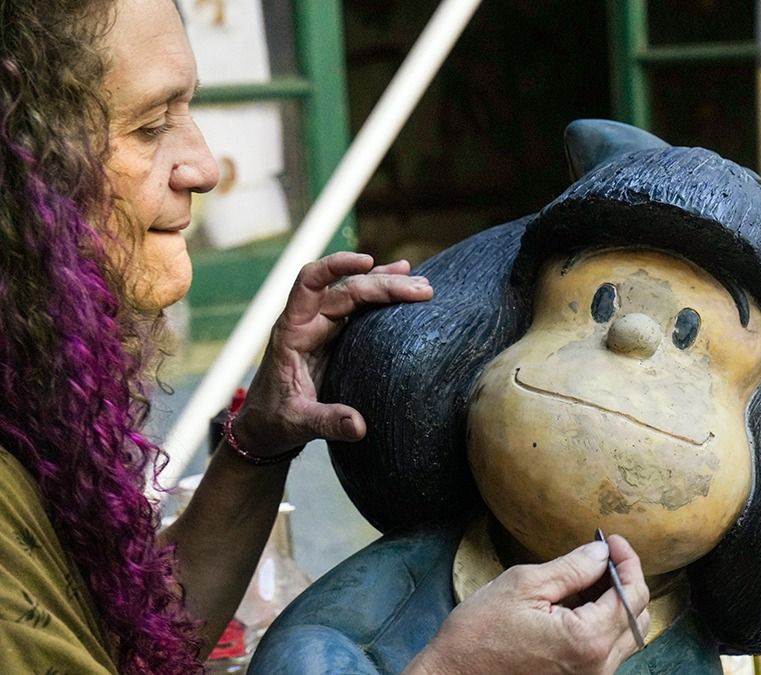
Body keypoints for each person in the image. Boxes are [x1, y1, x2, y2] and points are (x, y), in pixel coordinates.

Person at [0, 0, 649, 673]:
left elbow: (131, 642)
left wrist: (259, 441)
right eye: (150, 125)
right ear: (19, 165)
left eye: (190, 110)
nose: (204, 165)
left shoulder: (30, 415)